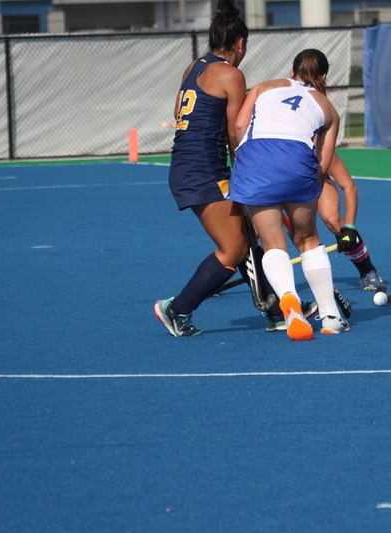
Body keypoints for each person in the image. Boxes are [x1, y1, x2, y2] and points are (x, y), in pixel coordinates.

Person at [230, 49, 348, 340]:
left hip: (255, 157)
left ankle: (291, 305)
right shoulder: (328, 108)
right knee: (307, 240)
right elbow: (322, 164)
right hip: (297, 159)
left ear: (292, 71)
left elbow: (239, 126)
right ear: (323, 76)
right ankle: (331, 315)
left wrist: (247, 162)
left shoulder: (263, 86)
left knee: (273, 244)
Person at [154, 0, 253, 337]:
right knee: (234, 247)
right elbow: (235, 132)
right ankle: (177, 309)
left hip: (188, 164)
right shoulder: (232, 74)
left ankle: (275, 307)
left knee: (249, 232)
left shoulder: (193, 67)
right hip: (204, 171)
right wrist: (246, 173)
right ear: (240, 44)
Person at [318, 154, 384, 290]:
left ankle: (368, 271)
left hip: (313, 177)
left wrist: (349, 227)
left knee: (333, 220)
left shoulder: (319, 149)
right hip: (278, 180)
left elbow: (349, 186)